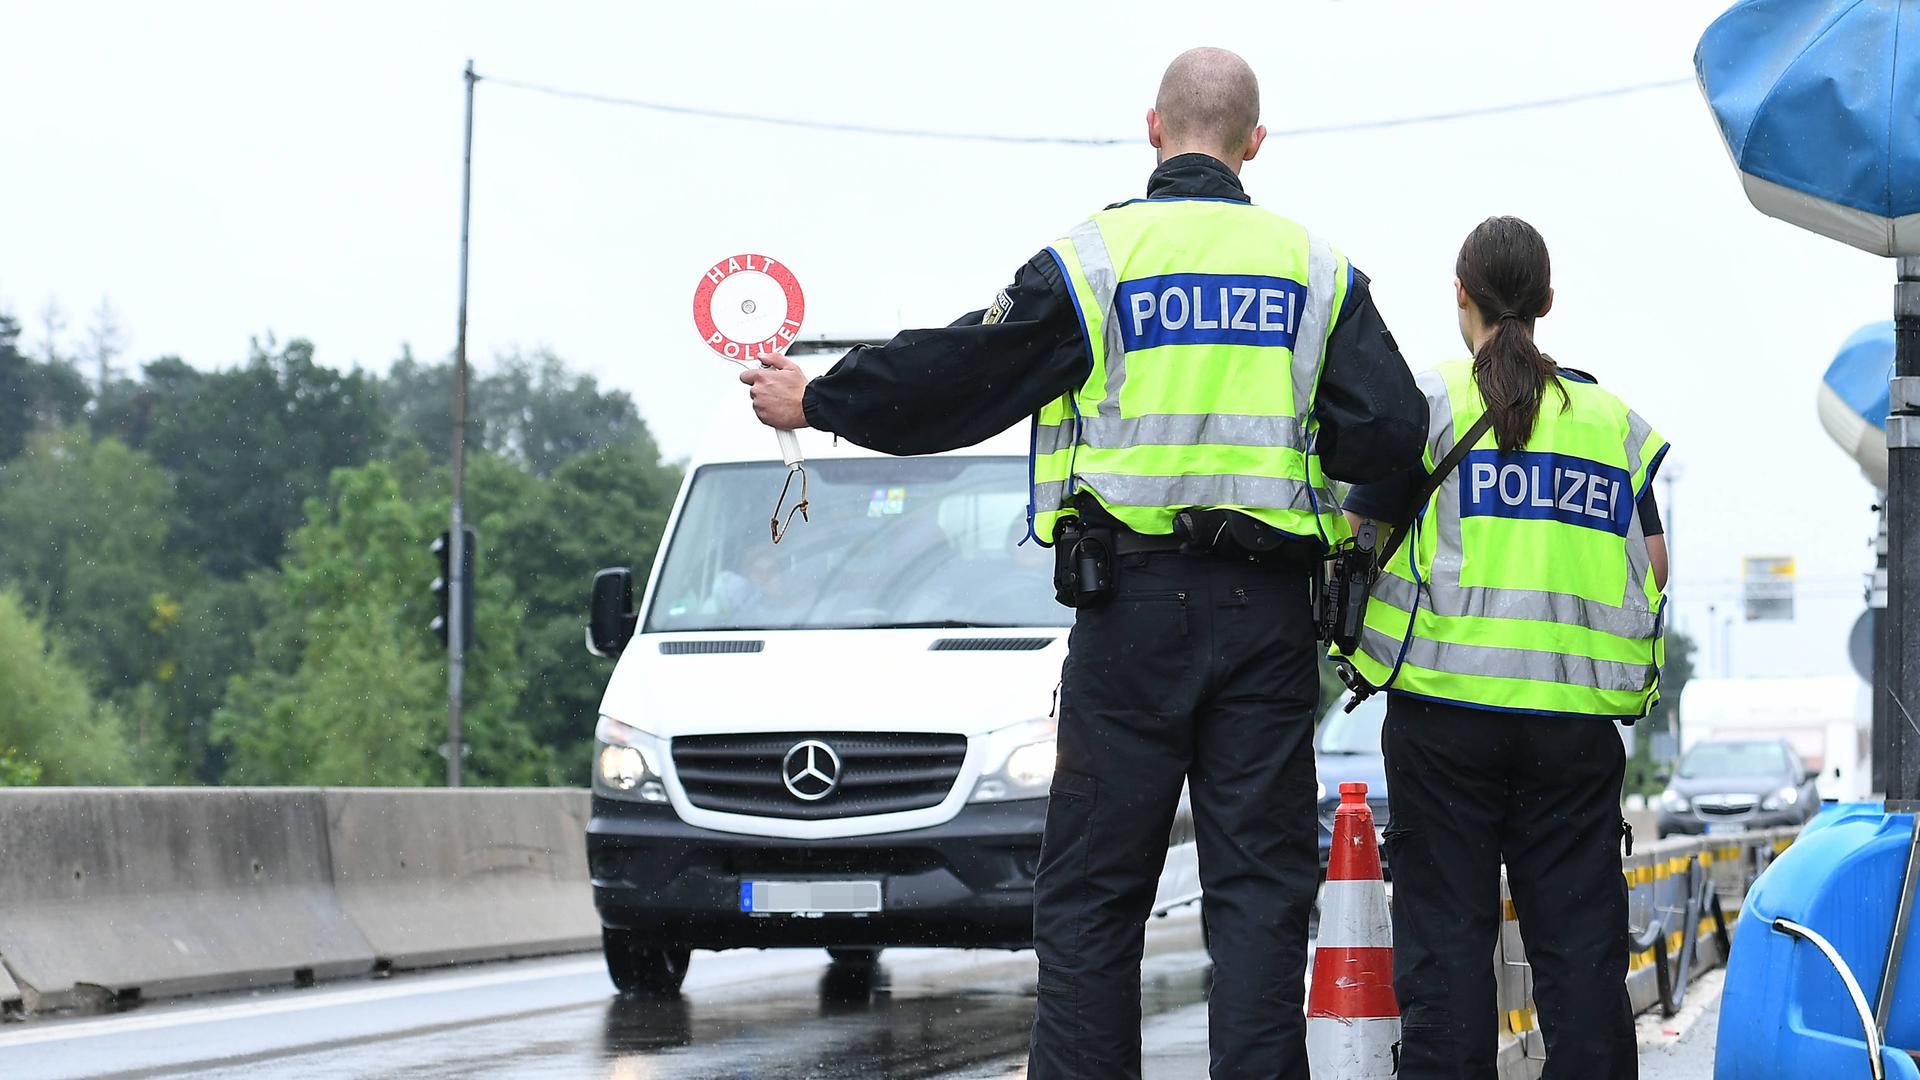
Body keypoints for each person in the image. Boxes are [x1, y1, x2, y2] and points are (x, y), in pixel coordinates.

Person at [743, 47, 1427, 1079]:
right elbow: (1392, 434)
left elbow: (965, 373)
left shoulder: (1096, 259)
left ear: (1153, 128)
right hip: (1268, 621)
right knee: (1258, 899)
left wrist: (822, 397)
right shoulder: (1316, 271)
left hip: (1131, 613)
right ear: (1255, 143)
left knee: (1095, 896)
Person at [1337, 216, 1669, 1079]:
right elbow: (1654, 561)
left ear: (1461, 294)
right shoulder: (1606, 422)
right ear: (1547, 301)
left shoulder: (1428, 405)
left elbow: (1357, 532)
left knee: (1446, 951)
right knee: (1581, 957)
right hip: (1571, 727)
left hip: (1443, 721)